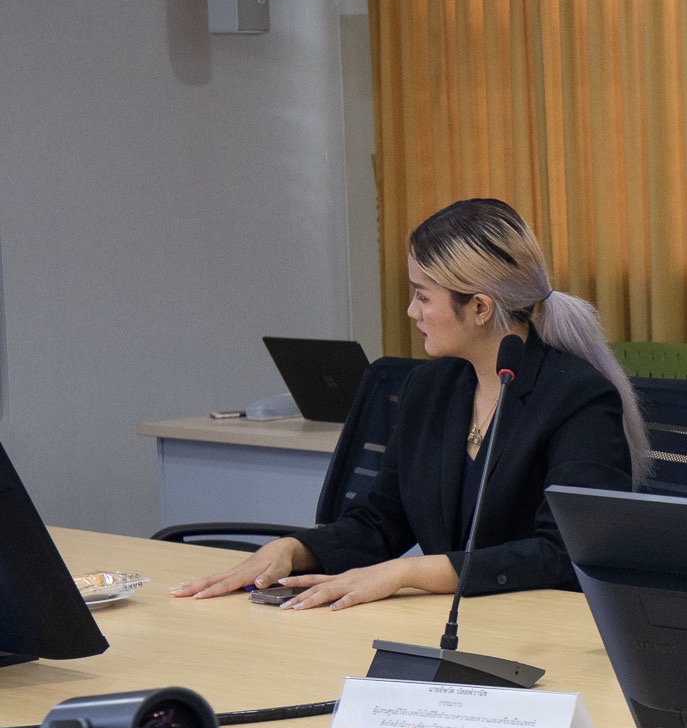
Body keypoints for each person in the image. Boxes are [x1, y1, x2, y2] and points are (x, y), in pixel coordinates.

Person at [175, 198, 647, 609]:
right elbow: (382, 521)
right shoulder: (430, 388)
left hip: (540, 627)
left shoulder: (579, 398)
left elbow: (563, 553)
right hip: (443, 622)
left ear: (480, 308)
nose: (411, 311)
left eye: (423, 296)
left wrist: (408, 572)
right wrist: (294, 549)